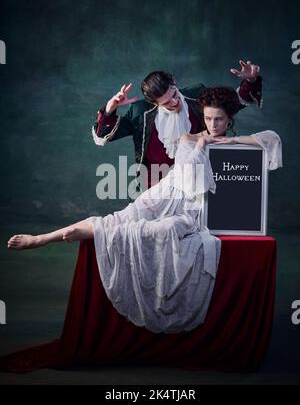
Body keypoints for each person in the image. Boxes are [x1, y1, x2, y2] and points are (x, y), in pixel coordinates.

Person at [7, 87, 281, 334]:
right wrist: (201, 143)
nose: (213, 124)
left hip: (188, 211)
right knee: (117, 221)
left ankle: (49, 237)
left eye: (219, 119)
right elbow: (189, 179)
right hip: (164, 196)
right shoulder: (188, 138)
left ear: (228, 120)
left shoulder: (229, 139)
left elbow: (271, 139)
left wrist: (232, 142)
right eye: (208, 119)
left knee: (157, 230)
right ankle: (42, 238)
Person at [93, 61, 263, 188]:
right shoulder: (140, 112)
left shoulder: (197, 95)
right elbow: (105, 135)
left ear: (174, 82)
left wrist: (250, 82)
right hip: (155, 188)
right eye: (167, 102)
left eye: (174, 94)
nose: (175, 102)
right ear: (154, 103)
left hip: (198, 182)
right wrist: (109, 110)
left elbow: (231, 103)